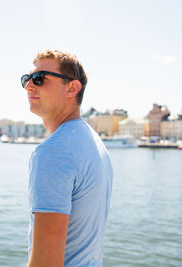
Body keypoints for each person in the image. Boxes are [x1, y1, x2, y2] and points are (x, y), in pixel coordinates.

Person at [21, 50, 113, 267]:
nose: (28, 86)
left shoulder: (54, 152)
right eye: (27, 79)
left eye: (39, 78)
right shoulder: (93, 142)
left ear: (72, 88)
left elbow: (46, 263)